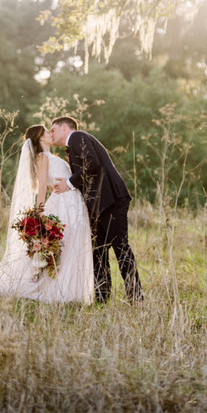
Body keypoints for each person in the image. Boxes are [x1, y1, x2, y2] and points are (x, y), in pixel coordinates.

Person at [0, 124, 94, 303]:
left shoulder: (51, 156)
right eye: (47, 132)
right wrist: (40, 213)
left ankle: (73, 291)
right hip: (63, 204)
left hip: (73, 202)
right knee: (66, 245)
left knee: (71, 245)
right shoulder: (42, 157)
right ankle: (59, 290)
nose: (51, 134)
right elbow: (43, 186)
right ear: (40, 138)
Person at [51, 116, 143, 305]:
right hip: (98, 207)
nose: (51, 134)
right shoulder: (73, 144)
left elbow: (92, 164)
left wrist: (69, 184)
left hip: (112, 202)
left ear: (64, 128)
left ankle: (137, 298)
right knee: (97, 252)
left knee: (121, 249)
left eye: (53, 130)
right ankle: (102, 298)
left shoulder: (77, 137)